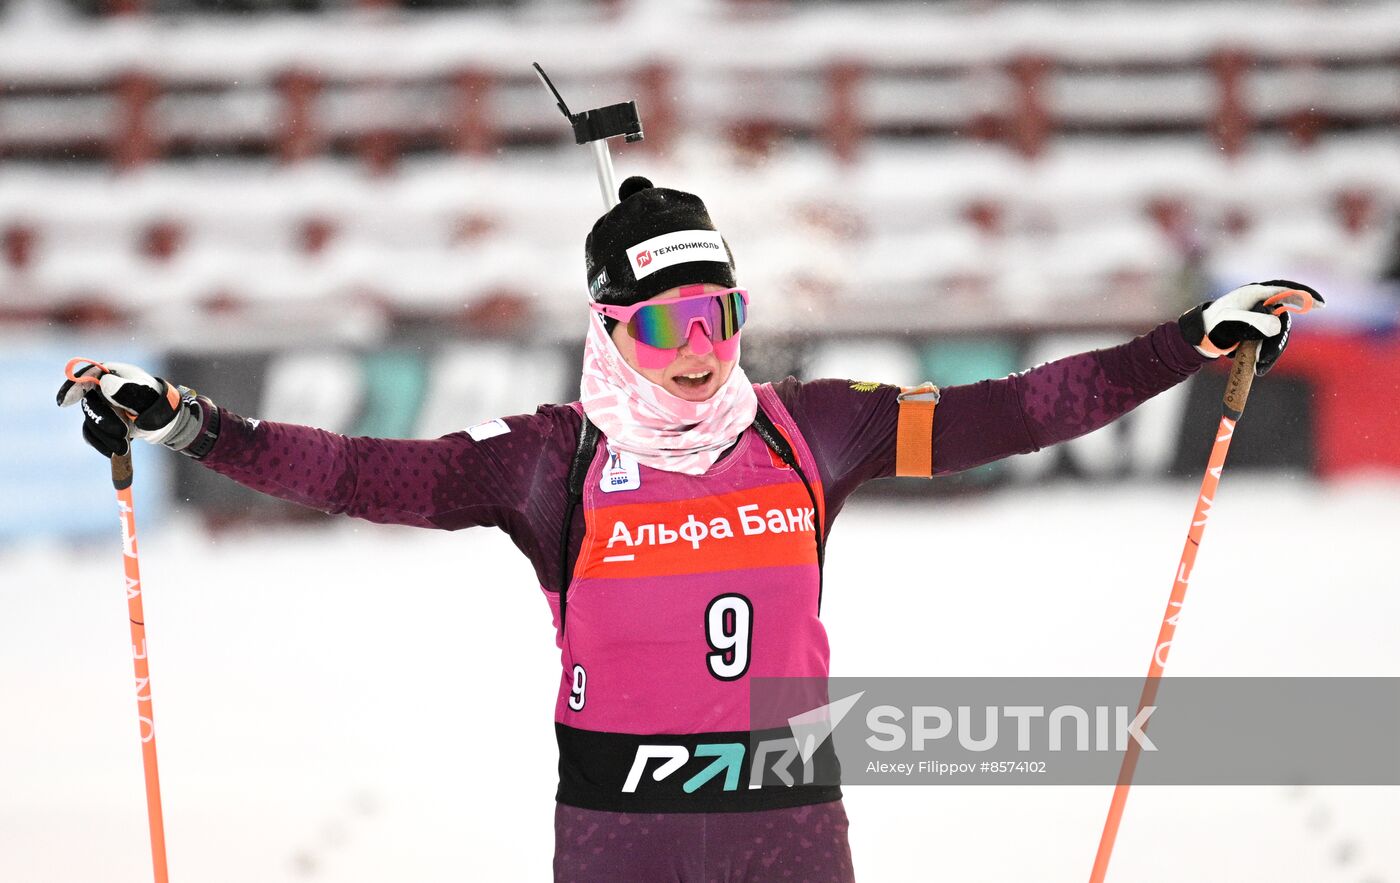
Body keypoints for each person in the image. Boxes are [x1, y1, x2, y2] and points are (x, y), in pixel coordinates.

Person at [58, 176, 1320, 883]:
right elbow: (355, 470)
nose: (697, 351)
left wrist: (1182, 344)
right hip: (618, 834)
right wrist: (194, 428)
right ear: (607, 327)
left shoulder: (818, 430)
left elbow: (1020, 410)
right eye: (664, 326)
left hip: (788, 818)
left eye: (717, 315)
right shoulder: (551, 460)